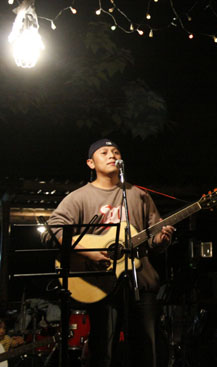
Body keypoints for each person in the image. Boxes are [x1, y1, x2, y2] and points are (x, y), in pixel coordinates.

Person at [43, 138, 175, 367]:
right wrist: (89, 252)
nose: (112, 155)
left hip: (140, 283)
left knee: (148, 352)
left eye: (116, 152)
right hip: (100, 284)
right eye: (104, 152)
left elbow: (154, 240)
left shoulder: (139, 195)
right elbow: (51, 232)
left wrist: (162, 239)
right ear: (90, 163)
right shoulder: (79, 197)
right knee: (102, 353)